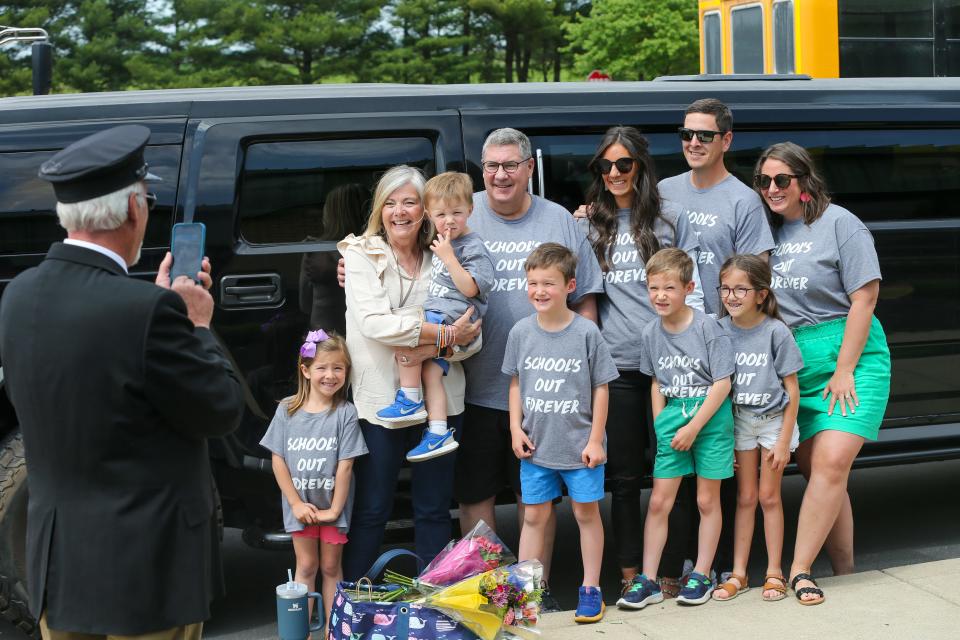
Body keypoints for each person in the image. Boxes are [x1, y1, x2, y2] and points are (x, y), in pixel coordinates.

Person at [0, 124, 245, 639]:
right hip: (146, 577)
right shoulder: (147, 312)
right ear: (135, 209)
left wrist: (154, 308)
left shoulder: (18, 295)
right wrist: (195, 326)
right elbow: (220, 409)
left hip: (59, 568)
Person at [456, 128, 604, 609]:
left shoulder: (559, 219)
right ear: (483, 169)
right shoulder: (464, 213)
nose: (501, 175)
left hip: (549, 396)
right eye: (492, 166)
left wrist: (582, 374)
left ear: (528, 169)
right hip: (475, 386)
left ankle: (529, 592)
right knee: (476, 494)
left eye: (511, 165)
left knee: (533, 499)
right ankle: (491, 590)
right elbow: (410, 254)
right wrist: (353, 262)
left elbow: (585, 302)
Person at [754, 142, 890, 605]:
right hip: (795, 365)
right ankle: (845, 570)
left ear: (804, 182)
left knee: (831, 463)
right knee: (821, 473)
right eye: (764, 181)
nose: (772, 189)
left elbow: (864, 298)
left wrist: (846, 369)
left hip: (849, 357)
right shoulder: (764, 231)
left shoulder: (840, 224)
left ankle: (799, 570)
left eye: (781, 180)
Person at [574, 126, 703, 597]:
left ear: (641, 167)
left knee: (677, 472)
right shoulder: (588, 225)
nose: (613, 174)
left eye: (623, 164)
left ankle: (674, 567)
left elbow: (697, 291)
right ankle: (631, 572)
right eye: (604, 166)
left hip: (674, 370)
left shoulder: (672, 220)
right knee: (625, 478)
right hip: (620, 368)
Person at [337, 165, 481, 581]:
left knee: (435, 507)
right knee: (373, 506)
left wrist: (447, 337)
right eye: (390, 202)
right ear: (379, 209)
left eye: (410, 202)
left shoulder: (446, 254)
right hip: (383, 401)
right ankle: (355, 600)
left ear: (426, 211)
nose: (399, 211)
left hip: (442, 401)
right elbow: (373, 324)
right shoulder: (361, 254)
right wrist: (443, 332)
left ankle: (433, 605)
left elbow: (475, 329)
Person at [658, 98, 776, 590]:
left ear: (726, 140)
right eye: (687, 133)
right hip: (673, 344)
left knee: (719, 460)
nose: (693, 142)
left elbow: (755, 276)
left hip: (721, 346)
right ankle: (684, 562)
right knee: (676, 457)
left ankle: (723, 564)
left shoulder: (744, 200)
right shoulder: (663, 190)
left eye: (704, 135)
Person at [501, 243, 618, 624]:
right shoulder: (521, 332)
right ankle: (525, 594)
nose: (539, 291)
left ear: (569, 285)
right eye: (532, 282)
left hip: (580, 446)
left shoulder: (586, 333)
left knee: (586, 513)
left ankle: (591, 588)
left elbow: (601, 386)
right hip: (536, 447)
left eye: (548, 283)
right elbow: (516, 383)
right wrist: (515, 427)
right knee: (533, 517)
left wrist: (596, 438)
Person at [619, 248, 734, 610]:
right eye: (653, 288)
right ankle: (648, 580)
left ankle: (700, 573)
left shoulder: (707, 327)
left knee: (705, 499)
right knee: (658, 501)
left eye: (669, 288)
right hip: (673, 417)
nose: (660, 296)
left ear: (688, 287)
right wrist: (660, 424)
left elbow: (722, 383)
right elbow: (654, 382)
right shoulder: (651, 331)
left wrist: (695, 426)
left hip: (710, 419)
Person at [376, 172, 495, 463]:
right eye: (441, 214)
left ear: (471, 209)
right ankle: (439, 431)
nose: (449, 221)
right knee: (431, 373)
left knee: (408, 345)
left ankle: (410, 399)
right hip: (442, 312)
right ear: (429, 215)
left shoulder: (472, 247)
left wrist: (449, 257)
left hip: (454, 314)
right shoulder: (443, 241)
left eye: (457, 213)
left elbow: (471, 287)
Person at [259, 330, 368, 626]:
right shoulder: (287, 410)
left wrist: (334, 510)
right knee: (306, 566)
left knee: (332, 567)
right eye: (322, 367)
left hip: (333, 507)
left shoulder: (345, 413)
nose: (330, 375)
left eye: (338, 368)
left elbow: (346, 466)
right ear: (305, 371)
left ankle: (334, 631)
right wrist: (295, 504)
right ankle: (300, 631)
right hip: (301, 507)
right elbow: (278, 460)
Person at [712, 255, 803, 603]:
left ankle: (774, 571)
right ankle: (739, 573)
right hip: (738, 424)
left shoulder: (775, 331)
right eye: (726, 288)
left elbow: (792, 391)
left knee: (769, 497)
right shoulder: (718, 330)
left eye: (741, 290)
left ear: (761, 295)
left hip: (772, 424)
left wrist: (783, 442)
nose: (732, 296)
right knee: (745, 498)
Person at [300, 183, 369, 335]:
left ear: (330, 214)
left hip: (324, 338)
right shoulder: (376, 249)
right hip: (366, 336)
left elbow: (304, 303)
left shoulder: (314, 250)